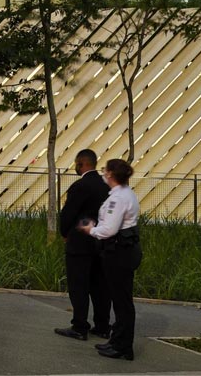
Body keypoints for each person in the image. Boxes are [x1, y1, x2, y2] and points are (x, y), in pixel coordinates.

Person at [80, 159, 141, 362]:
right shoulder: (124, 194)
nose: (103, 173)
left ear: (111, 174)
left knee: (122, 301)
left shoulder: (118, 199)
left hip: (118, 253)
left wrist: (91, 230)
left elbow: (109, 230)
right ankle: (117, 341)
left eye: (105, 170)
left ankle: (123, 347)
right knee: (120, 300)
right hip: (122, 251)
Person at [56, 148, 111, 342]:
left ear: (81, 164)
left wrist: (65, 233)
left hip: (80, 244)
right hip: (102, 243)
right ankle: (103, 326)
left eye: (76, 164)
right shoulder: (107, 186)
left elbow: (68, 214)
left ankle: (79, 326)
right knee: (100, 286)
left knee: (78, 285)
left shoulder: (80, 186)